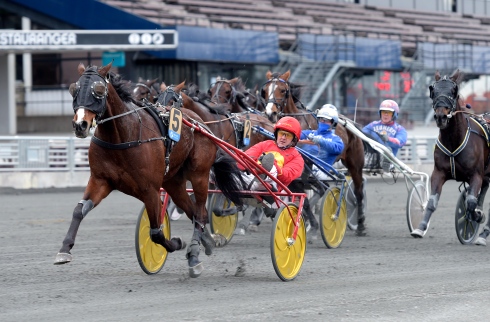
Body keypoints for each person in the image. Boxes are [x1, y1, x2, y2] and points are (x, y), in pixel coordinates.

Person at [237, 116, 305, 233]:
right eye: (281, 134)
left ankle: (262, 173)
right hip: (252, 176)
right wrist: (242, 164)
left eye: (287, 135)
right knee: (238, 161)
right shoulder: (265, 144)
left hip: (274, 187)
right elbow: (248, 156)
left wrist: (274, 168)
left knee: (271, 167)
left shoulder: (297, 157)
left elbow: (287, 175)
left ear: (294, 139)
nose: (283, 137)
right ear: (276, 134)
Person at [295, 104, 345, 241]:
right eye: (321, 120)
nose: (322, 122)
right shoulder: (308, 133)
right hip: (302, 167)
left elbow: (337, 148)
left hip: (321, 170)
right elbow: (294, 134)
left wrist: (319, 140)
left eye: (326, 120)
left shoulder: (336, 139)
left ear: (332, 123)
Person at [362, 99, 407, 172]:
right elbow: (360, 134)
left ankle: (386, 164)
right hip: (369, 156)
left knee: (387, 150)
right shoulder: (372, 125)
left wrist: (388, 139)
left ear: (394, 114)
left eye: (388, 113)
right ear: (380, 113)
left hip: (388, 158)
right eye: (383, 112)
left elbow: (400, 142)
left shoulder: (399, 129)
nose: (385, 114)